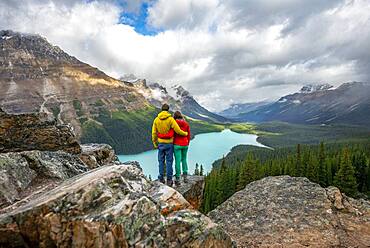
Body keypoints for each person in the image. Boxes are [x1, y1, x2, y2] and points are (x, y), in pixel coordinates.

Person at [152, 104, 188, 186]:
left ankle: (161, 178)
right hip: (169, 144)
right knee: (169, 162)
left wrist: (154, 143)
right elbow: (178, 130)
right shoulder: (171, 119)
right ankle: (169, 180)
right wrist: (185, 133)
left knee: (161, 161)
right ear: (168, 110)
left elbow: (154, 133)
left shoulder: (156, 120)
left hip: (160, 144)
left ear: (161, 109)